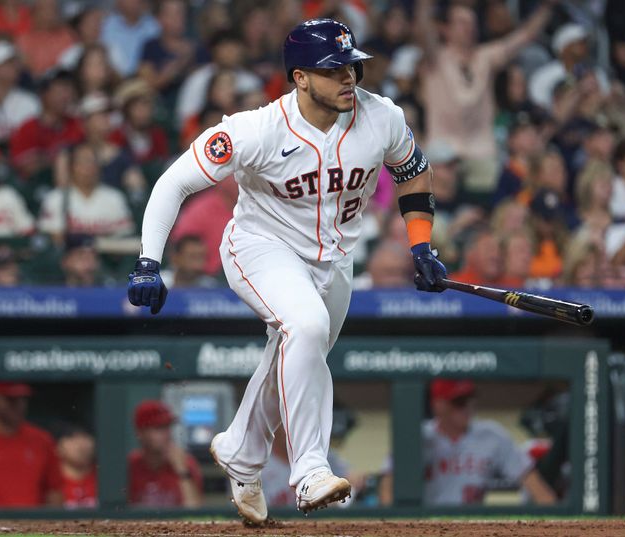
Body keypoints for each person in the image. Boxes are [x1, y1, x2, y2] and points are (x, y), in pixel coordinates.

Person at [127, 19, 447, 523]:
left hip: (335, 262)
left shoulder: (381, 116)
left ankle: (240, 451)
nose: (349, 77)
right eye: (333, 69)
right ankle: (310, 471)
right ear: (300, 77)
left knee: (294, 356)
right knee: (307, 327)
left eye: (353, 66)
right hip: (261, 247)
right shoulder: (255, 129)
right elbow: (172, 183)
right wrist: (149, 260)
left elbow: (413, 172)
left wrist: (422, 246)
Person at [415, 0, 556, 193]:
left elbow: (525, 36)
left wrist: (546, 7)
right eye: (461, 22)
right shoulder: (436, 57)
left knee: (490, 202)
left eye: (472, 23)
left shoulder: (486, 57)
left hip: (481, 151)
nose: (469, 28)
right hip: (442, 148)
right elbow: (423, 29)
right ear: (446, 29)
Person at [422, 379, 556, 506]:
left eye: (470, 399)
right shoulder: (421, 437)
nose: (468, 407)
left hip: (472, 525)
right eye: (459, 402)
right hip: (425, 525)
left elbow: (537, 488)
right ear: (438, 405)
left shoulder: (492, 435)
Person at [38, 142, 134, 243]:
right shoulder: (56, 198)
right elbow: (53, 237)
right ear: (72, 167)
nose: (88, 168)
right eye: (83, 162)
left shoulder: (114, 197)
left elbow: (124, 236)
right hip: (69, 255)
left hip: (107, 256)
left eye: (93, 162)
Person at [127, 400, 203, 508]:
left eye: (167, 427)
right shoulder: (130, 465)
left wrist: (182, 471)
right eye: (158, 428)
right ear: (140, 433)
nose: (167, 434)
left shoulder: (186, 464)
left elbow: (194, 515)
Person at [10, 69, 81, 179]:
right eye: (59, 90)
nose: (65, 96)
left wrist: (44, 159)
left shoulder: (77, 124)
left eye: (67, 89)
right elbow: (24, 167)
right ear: (44, 94)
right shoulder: (28, 128)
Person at [110, 78, 169, 165]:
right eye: (137, 107)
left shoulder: (158, 135)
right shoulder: (117, 137)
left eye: (146, 106)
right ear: (127, 110)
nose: (142, 112)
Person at [16, 0, 75, 79]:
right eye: (44, 9)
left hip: (59, 82)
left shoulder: (67, 37)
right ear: (34, 12)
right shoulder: (24, 38)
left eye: (52, 9)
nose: (50, 14)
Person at [101, 0, 160, 78]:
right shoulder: (106, 24)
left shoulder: (154, 26)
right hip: (113, 79)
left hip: (145, 80)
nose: (133, 2)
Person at [54, 423, 97, 509]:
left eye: (85, 436)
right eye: (72, 438)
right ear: (58, 447)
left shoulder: (105, 479)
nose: (80, 445)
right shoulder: (51, 481)